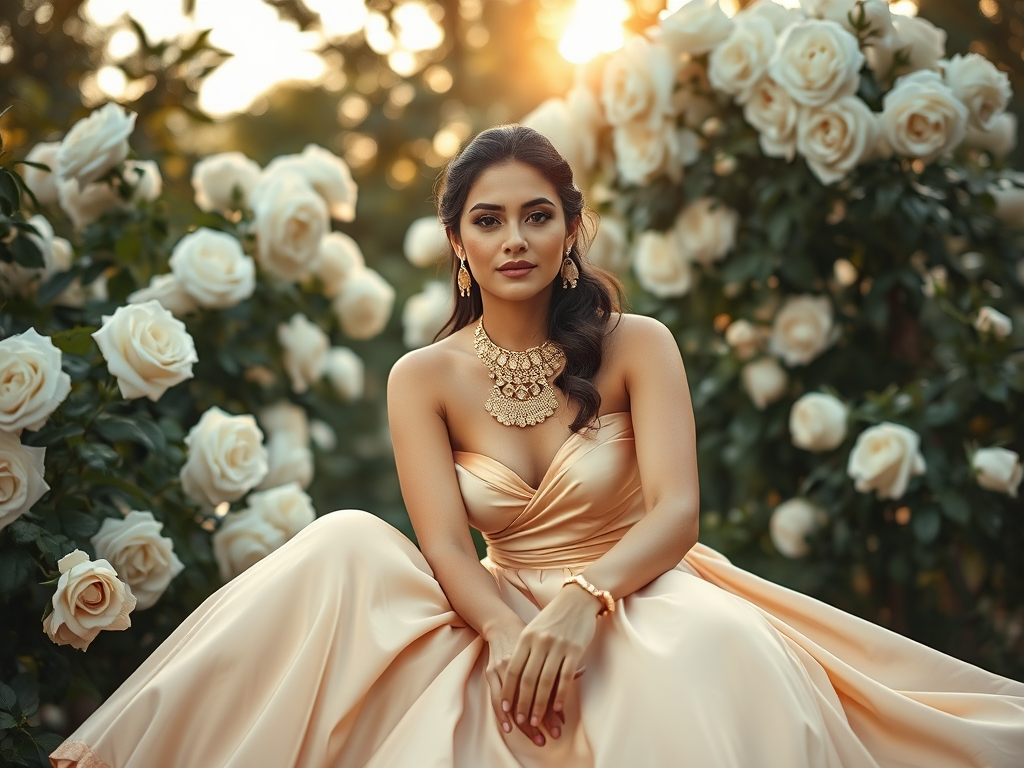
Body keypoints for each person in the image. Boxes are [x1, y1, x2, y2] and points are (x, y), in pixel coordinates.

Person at [52, 126, 1024, 768]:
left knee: (717, 654)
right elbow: (441, 545)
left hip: (640, 581)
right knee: (344, 540)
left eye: (536, 214)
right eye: (487, 219)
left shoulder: (640, 343)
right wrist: (512, 632)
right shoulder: (418, 377)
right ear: (458, 243)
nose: (512, 236)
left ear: (569, 233)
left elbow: (679, 514)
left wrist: (581, 603)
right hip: (494, 600)